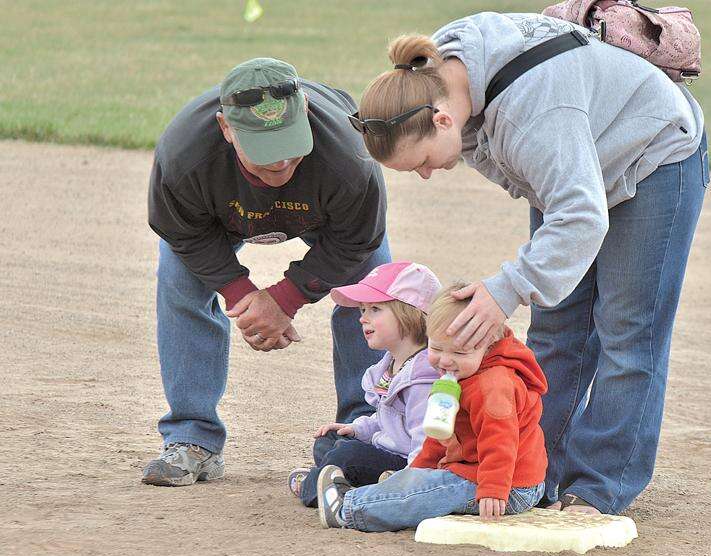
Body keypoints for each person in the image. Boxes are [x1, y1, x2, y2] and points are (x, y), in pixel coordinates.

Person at [349, 12, 709, 514]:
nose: (429, 175)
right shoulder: (442, 74)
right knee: (556, 331)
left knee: (627, 333)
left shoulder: (532, 116)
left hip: (653, 153)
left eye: (424, 162)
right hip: (573, 161)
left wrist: (507, 287)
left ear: (442, 119)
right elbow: (555, 186)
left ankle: (599, 486)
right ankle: (535, 474)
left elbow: (580, 213)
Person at [143, 57, 390, 486]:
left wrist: (286, 298)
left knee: (374, 288)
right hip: (219, 216)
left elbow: (357, 239)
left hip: (326, 218)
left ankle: (365, 430)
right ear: (226, 128)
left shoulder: (350, 157)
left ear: (307, 113)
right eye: (263, 152)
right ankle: (191, 438)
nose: (279, 164)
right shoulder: (184, 155)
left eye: (290, 146)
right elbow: (182, 232)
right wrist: (241, 292)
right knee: (180, 281)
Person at [317, 282, 548, 531]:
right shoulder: (457, 373)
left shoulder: (493, 386)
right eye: (436, 348)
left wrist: (493, 488)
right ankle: (391, 491)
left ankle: (348, 509)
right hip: (476, 472)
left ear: (489, 344)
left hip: (510, 485)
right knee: (421, 484)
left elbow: (500, 441)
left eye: (459, 353)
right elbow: (439, 435)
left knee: (429, 492)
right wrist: (416, 472)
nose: (445, 361)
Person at [288, 261, 441, 506]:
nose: (362, 319)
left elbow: (426, 440)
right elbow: (388, 420)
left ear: (409, 312)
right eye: (362, 310)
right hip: (389, 451)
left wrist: (411, 484)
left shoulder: (422, 375)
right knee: (328, 441)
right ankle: (348, 479)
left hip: (410, 464)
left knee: (346, 455)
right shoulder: (391, 363)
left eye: (375, 309)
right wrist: (359, 429)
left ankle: (318, 487)